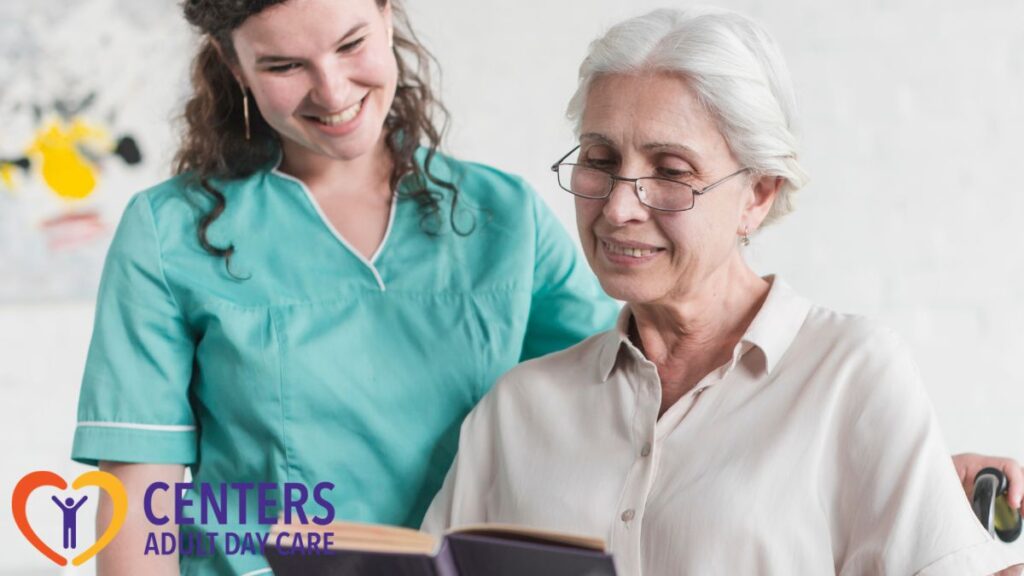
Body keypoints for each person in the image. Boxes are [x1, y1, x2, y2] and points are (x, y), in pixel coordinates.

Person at [422, 8, 1024, 575]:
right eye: (600, 159)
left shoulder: (851, 375)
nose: (618, 205)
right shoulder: (517, 411)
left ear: (758, 194)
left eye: (670, 171)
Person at [70, 0, 616, 574]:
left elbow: (626, 400)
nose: (331, 92)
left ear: (386, 17)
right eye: (284, 66)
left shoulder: (506, 217)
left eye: (351, 44)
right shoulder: (169, 232)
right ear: (235, 68)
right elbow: (137, 505)